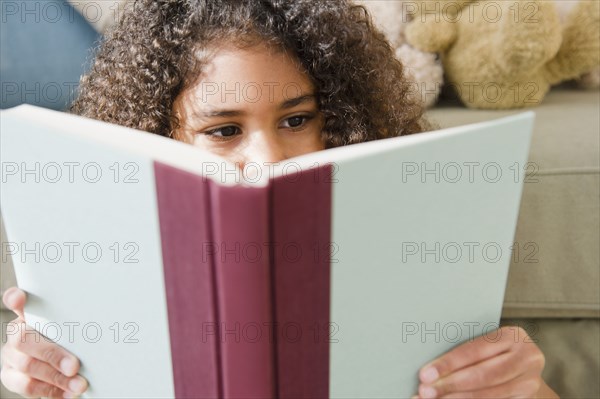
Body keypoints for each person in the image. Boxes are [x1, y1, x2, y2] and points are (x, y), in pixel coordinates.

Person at [0, 1, 558, 398]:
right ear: (156, 135)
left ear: (339, 119)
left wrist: (524, 390)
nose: (268, 159)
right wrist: (51, 373)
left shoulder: (407, 244)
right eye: (223, 130)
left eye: (296, 119)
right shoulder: (115, 267)